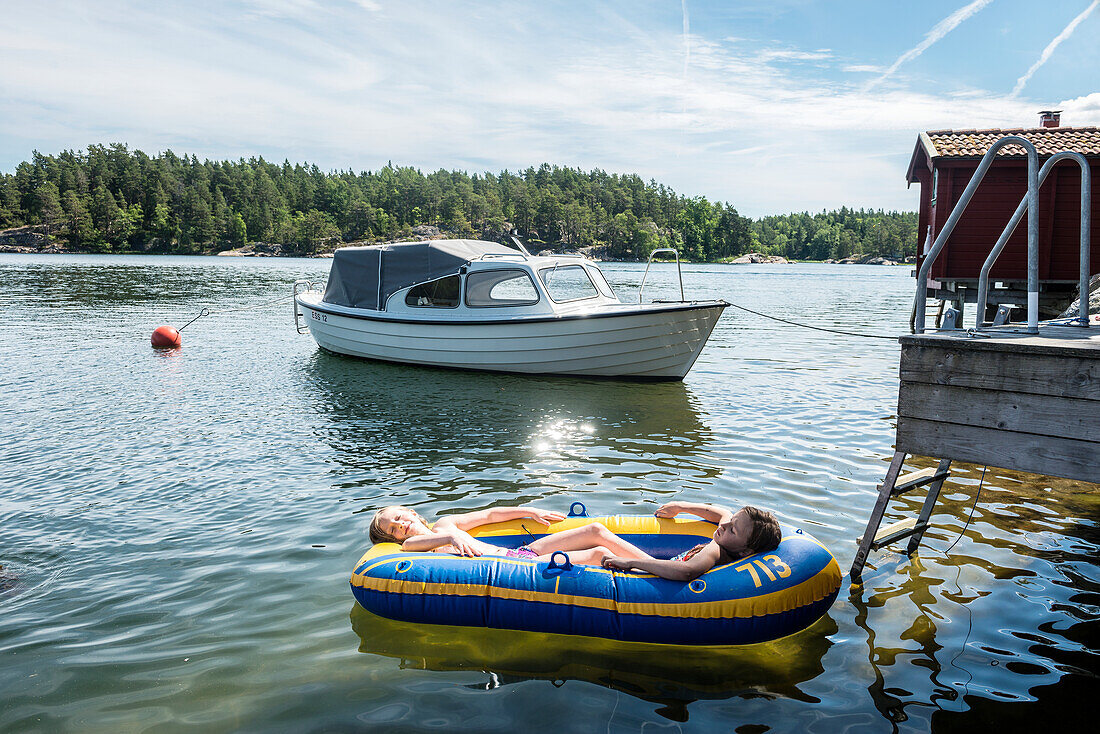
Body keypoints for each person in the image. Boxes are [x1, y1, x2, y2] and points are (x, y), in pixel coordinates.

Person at [369, 504, 654, 566]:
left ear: (411, 512)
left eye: (398, 517)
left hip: (521, 553)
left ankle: (660, 564)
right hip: (516, 567)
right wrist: (449, 540)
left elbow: (489, 515)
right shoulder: (415, 544)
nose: (399, 525)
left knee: (595, 530)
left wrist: (528, 511)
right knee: (599, 554)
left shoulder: (445, 523)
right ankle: (651, 571)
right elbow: (410, 546)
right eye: (392, 529)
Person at [601, 501, 781, 581]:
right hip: (659, 567)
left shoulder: (716, 550)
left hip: (655, 577)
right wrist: (680, 506)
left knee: (599, 552)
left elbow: (687, 572)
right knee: (597, 532)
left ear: (745, 552)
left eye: (732, 529)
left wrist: (631, 562)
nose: (724, 524)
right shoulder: (727, 535)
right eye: (732, 520)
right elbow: (721, 513)